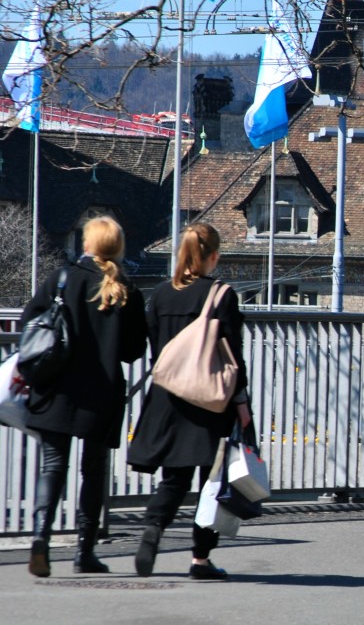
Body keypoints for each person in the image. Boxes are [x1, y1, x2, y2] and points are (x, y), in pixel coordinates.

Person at [19, 217, 147, 577]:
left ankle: (41, 538)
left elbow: (32, 323)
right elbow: (133, 350)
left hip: (56, 388)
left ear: (87, 243)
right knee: (93, 472)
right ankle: (84, 551)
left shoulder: (60, 279)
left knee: (52, 466)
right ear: (117, 246)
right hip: (101, 394)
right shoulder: (127, 290)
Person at [127, 223, 254, 580]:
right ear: (213, 256)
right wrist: (242, 404)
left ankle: (153, 529)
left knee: (174, 477)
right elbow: (234, 356)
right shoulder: (221, 295)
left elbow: (156, 349)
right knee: (213, 481)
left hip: (170, 396)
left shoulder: (162, 294)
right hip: (211, 400)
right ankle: (200, 559)